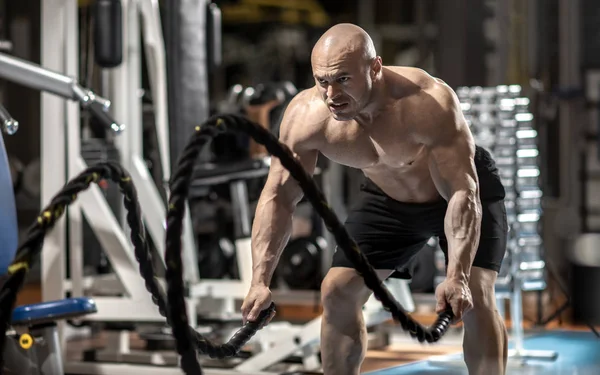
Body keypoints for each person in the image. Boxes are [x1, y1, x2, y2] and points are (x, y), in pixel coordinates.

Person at [241, 23, 508, 375]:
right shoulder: (306, 118)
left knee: (476, 294)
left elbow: (462, 190)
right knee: (337, 292)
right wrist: (260, 280)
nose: (331, 94)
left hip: (460, 193)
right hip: (389, 199)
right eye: (322, 81)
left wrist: (455, 274)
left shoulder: (426, 101)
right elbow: (278, 197)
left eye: (343, 79)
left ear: (375, 68)